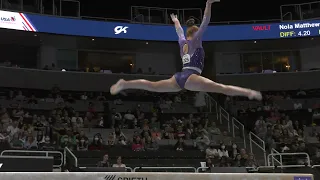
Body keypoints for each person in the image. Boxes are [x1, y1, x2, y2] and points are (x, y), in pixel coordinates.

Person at [110, 0, 262, 101]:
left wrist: (176, 21)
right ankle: (248, 92)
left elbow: (179, 31)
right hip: (191, 76)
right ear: (195, 34)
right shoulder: (196, 40)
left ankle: (125, 83)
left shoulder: (183, 41)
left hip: (180, 76)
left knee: (152, 86)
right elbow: (205, 21)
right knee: (221, 88)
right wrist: (208, 4)